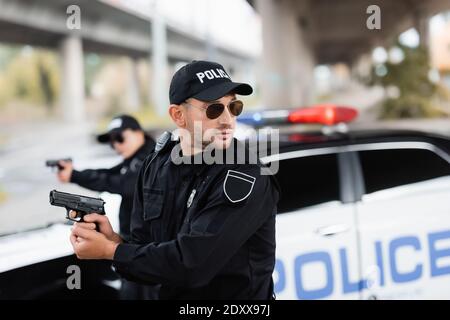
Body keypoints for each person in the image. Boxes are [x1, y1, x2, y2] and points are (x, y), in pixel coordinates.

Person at [69, 60, 280, 300]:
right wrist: (115, 241)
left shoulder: (246, 174)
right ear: (178, 115)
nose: (227, 120)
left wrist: (113, 251)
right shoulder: (156, 165)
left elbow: (193, 265)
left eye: (234, 106)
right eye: (214, 109)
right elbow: (146, 249)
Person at [57, 114, 155, 299]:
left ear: (139, 133)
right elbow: (108, 173)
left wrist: (74, 176)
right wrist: (74, 174)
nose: (116, 145)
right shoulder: (133, 160)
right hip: (134, 247)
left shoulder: (152, 159)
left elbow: (121, 183)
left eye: (119, 138)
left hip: (147, 251)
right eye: (111, 142)